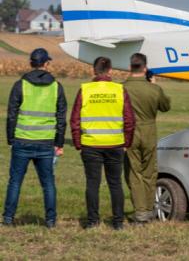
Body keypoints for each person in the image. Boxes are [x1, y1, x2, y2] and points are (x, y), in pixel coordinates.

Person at [3, 48, 67, 228]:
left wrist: (11, 139)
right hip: (46, 143)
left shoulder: (20, 85)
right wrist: (59, 143)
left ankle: (8, 218)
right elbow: (61, 119)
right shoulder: (57, 87)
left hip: (22, 140)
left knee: (15, 182)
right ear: (46, 64)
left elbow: (12, 115)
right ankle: (51, 220)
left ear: (31, 64)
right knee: (48, 183)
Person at [71, 57, 135, 230]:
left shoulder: (85, 89)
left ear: (93, 70)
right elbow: (129, 120)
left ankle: (92, 221)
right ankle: (118, 222)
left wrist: (78, 143)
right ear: (111, 70)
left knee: (92, 183)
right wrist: (126, 142)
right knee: (115, 183)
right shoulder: (119, 90)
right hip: (115, 144)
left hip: (90, 144)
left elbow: (75, 119)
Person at [123, 53, 171, 223]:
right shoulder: (154, 89)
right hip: (149, 131)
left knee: (134, 172)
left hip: (128, 133)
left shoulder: (122, 88)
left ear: (130, 68)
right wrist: (154, 85)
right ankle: (149, 209)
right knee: (149, 173)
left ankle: (140, 211)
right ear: (145, 68)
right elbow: (166, 106)